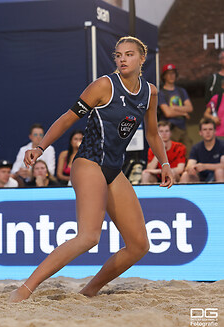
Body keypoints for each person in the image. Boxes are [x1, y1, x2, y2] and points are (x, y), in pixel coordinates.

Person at [9, 36, 174, 302]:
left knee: (139, 245)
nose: (122, 59)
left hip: (112, 168)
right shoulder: (103, 85)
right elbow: (67, 118)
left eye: (129, 54)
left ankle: (90, 290)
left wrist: (165, 164)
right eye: (118, 55)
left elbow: (153, 134)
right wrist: (40, 148)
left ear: (143, 59)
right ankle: (24, 290)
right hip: (88, 162)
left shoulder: (150, 93)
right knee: (88, 237)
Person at [157, 63, 193, 151]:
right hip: (169, 129)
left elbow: (190, 108)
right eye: (168, 73)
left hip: (183, 128)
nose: (171, 76)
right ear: (164, 76)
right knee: (171, 154)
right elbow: (168, 113)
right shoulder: (161, 93)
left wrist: (174, 108)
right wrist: (183, 113)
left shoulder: (181, 91)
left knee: (188, 152)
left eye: (173, 73)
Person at [179, 118, 224, 183]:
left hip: (219, 176)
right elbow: (190, 165)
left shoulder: (222, 145)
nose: (208, 132)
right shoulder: (196, 147)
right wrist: (191, 168)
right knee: (185, 175)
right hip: (200, 178)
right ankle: (181, 193)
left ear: (215, 131)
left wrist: (204, 166)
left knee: (219, 171)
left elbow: (223, 165)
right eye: (205, 129)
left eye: (210, 129)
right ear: (200, 132)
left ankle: (221, 193)